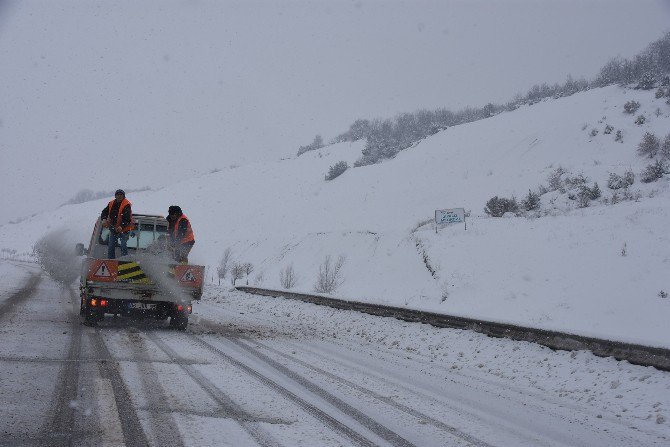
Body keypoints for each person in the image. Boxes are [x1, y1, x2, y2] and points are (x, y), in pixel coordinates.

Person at [101, 189, 134, 259]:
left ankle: (124, 260)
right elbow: (104, 212)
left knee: (123, 244)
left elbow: (127, 219)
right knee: (111, 245)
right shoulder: (111, 203)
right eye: (117, 195)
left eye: (121, 195)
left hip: (124, 228)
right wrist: (104, 219)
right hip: (113, 227)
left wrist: (121, 227)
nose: (119, 196)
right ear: (115, 196)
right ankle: (111, 261)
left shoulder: (126, 204)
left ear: (123, 196)